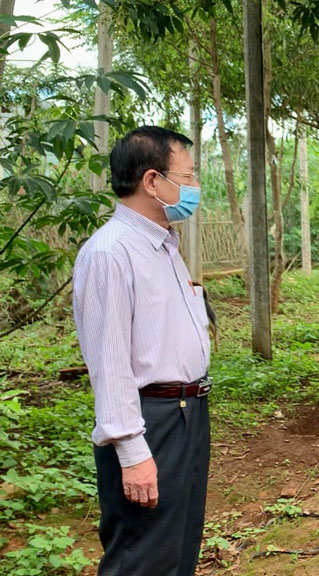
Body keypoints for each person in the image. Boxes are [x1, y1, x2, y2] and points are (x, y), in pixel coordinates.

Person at [73, 126, 211, 576]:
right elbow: (109, 363)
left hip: (188, 411)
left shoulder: (164, 245)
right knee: (142, 555)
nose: (193, 188)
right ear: (152, 181)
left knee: (178, 543)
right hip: (151, 420)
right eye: (187, 177)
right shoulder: (110, 253)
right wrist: (133, 453)